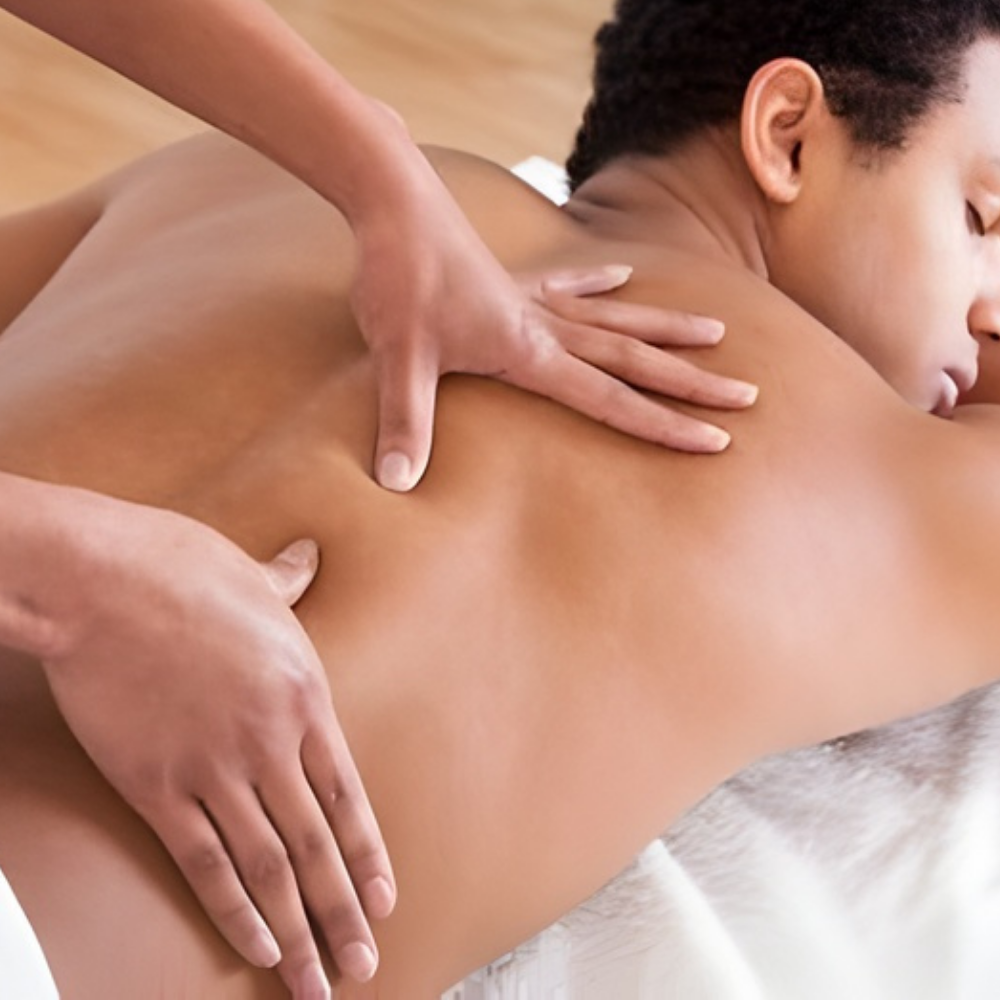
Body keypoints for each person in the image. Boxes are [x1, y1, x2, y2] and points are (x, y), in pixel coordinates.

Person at [2, 0, 1000, 996]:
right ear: (786, 133)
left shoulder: (213, 176)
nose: (992, 308)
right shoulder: (875, 478)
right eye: (980, 218)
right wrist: (73, 573)